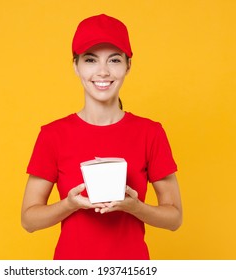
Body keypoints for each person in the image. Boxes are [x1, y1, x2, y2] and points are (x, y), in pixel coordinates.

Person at [21, 14, 182, 260]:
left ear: (128, 65)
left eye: (114, 60)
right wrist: (70, 204)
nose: (103, 71)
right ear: (76, 66)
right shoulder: (53, 135)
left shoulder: (150, 133)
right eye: (91, 60)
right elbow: (29, 220)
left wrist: (135, 207)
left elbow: (174, 218)